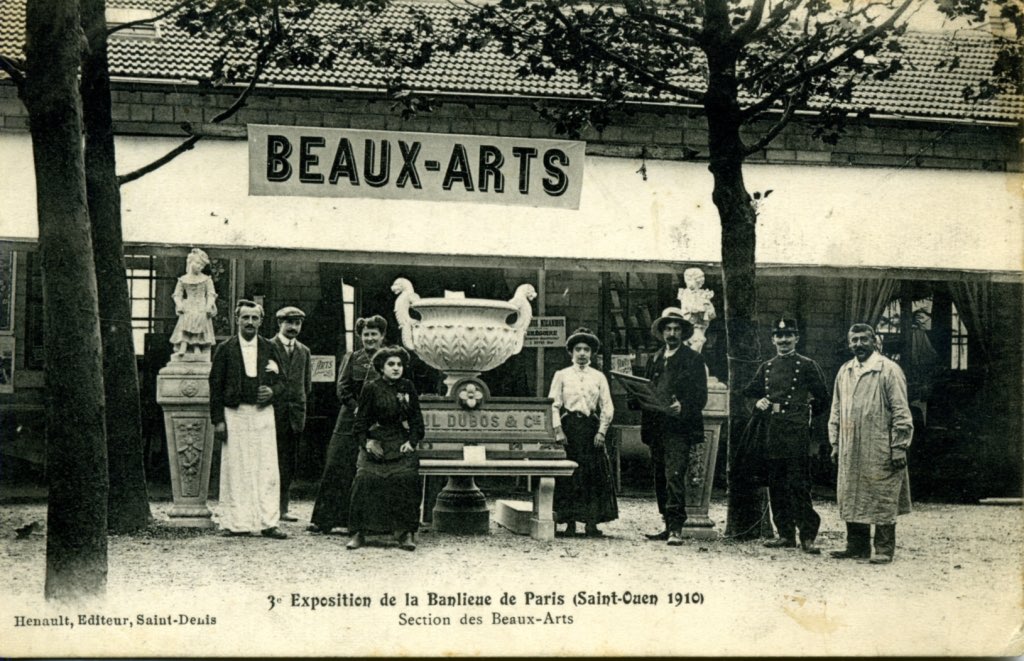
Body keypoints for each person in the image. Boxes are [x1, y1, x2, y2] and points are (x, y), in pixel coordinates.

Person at [742, 317, 830, 554]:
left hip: (796, 430)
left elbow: (823, 398)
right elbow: (748, 394)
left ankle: (808, 536)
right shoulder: (767, 367)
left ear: (796, 339)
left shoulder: (807, 365)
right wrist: (757, 402)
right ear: (773, 340)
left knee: (798, 484)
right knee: (776, 484)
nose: (784, 340)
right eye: (779, 336)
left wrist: (806, 417)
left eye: (788, 335)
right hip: (772, 430)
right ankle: (785, 535)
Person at [828, 323, 914, 564]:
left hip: (880, 445)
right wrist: (835, 443)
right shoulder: (845, 371)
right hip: (850, 445)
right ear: (849, 344)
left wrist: (899, 446)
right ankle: (856, 546)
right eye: (854, 340)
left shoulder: (888, 370)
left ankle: (884, 548)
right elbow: (836, 410)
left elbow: (901, 411)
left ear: (875, 341)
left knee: (882, 494)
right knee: (852, 493)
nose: (858, 345)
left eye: (863, 339)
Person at [209, 300, 287, 539]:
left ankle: (268, 522)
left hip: (263, 413)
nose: (250, 322)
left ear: (261, 321)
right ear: (237, 320)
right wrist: (218, 420)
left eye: (254, 318)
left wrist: (273, 391)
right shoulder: (225, 348)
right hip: (235, 413)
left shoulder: (270, 348)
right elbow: (215, 385)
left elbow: (283, 381)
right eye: (246, 318)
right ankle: (235, 523)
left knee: (267, 468)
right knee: (236, 468)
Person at [634, 307, 708, 546]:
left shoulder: (693, 359)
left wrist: (683, 407)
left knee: (674, 475)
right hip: (656, 427)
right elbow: (647, 390)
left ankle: (677, 528)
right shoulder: (655, 358)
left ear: (683, 332)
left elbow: (701, 397)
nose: (672, 333)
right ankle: (667, 524)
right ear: (662, 332)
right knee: (660, 477)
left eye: (677, 329)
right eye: (668, 329)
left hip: (679, 428)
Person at [308, 315, 386, 534]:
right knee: (338, 463)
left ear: (382, 336)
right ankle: (326, 520)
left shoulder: (388, 358)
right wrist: (356, 407)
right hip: (350, 418)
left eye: (374, 334)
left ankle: (365, 523)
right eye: (366, 335)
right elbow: (342, 388)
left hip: (378, 419)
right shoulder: (352, 357)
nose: (370, 339)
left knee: (369, 468)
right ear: (361, 337)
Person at [346, 346, 425, 551]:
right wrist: (367, 443)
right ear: (381, 367)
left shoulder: (408, 387)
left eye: (399, 364)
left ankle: (404, 533)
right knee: (364, 478)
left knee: (406, 478)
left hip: (400, 442)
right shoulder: (371, 388)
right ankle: (359, 532)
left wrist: (412, 442)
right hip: (376, 442)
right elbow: (359, 424)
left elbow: (417, 421)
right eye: (391, 364)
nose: (396, 368)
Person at [549, 327, 618, 537]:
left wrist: (601, 432)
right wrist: (558, 430)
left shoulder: (598, 377)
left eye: (586, 350)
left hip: (590, 429)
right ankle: (568, 522)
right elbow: (552, 404)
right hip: (569, 428)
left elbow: (607, 406)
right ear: (571, 352)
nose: (582, 353)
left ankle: (591, 522)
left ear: (592, 353)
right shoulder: (562, 375)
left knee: (591, 475)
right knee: (569, 475)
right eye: (577, 349)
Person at [271, 306, 312, 523]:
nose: (293, 327)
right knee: (270, 462)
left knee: (289, 464)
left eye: (297, 323)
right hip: (271, 414)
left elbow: (307, 385)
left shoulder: (304, 351)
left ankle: (283, 508)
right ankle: (267, 508)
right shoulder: (268, 347)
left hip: (295, 416)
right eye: (289, 322)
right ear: (280, 324)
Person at [169, 248, 217, 358]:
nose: (200, 267)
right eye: (198, 263)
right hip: (188, 305)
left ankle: (196, 346)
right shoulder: (183, 279)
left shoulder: (206, 279)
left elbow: (211, 294)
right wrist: (179, 304)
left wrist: (209, 305)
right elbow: (177, 294)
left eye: (202, 265)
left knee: (199, 320)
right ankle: (184, 345)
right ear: (190, 262)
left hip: (201, 305)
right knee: (186, 320)